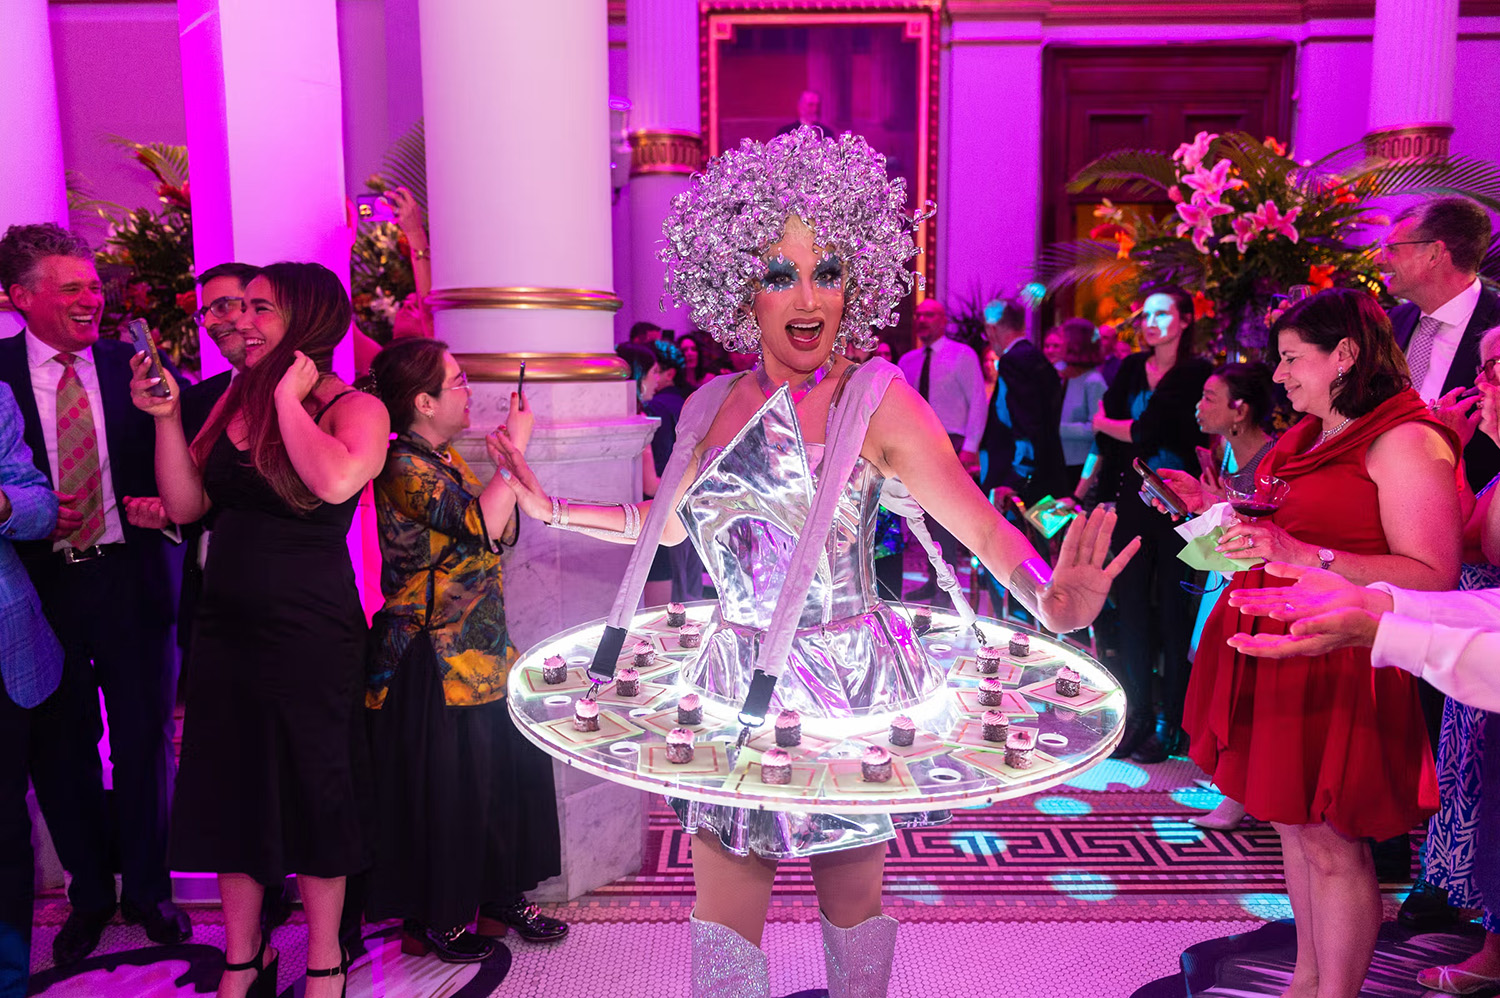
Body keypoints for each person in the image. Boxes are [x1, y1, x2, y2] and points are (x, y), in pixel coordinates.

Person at [487, 126, 1137, 998]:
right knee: (719, 930)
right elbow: (671, 531)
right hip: (730, 674)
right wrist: (548, 505)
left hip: (846, 679)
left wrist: (1055, 606)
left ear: (855, 284)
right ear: (736, 289)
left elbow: (983, 532)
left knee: (851, 910)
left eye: (827, 271)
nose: (807, 297)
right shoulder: (711, 403)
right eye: (778, 272)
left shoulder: (879, 400)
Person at [1167, 288, 1461, 998]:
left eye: (1293, 359)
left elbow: (1433, 573)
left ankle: (1337, 993)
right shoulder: (1308, 435)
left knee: (1333, 842)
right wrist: (1223, 523)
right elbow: (1284, 533)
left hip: (1342, 657)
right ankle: (1305, 980)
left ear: (1346, 356)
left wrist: (1307, 555)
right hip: (1278, 652)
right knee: (1292, 830)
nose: (1279, 375)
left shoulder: (1402, 439)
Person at [133, 262, 391, 998]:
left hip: (311, 631)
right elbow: (185, 507)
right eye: (236, 308)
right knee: (230, 789)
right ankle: (244, 957)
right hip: (226, 626)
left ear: (306, 319)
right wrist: (166, 420)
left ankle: (322, 960)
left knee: (316, 790)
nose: (239, 321)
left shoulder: (353, 407)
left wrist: (285, 396)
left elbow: (337, 481)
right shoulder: (226, 402)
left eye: (260, 308)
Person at [0, 222, 191, 964]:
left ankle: (149, 887)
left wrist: (159, 506)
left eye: (93, 285)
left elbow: (178, 458)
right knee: (61, 748)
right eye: (70, 286)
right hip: (38, 590)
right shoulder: (2, 376)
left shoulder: (134, 365)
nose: (91, 298)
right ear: (20, 296)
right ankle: (89, 893)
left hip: (129, 575)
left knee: (144, 738)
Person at [361, 339, 565, 962]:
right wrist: (515, 455)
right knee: (448, 789)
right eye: (456, 381)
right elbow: (480, 523)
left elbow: (502, 528)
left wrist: (506, 464)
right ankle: (437, 916)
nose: (466, 389)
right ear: (422, 401)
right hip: (432, 652)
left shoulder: (444, 457)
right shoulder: (402, 466)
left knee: (500, 779)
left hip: (480, 647)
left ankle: (498, 893)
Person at [1091, 285, 1212, 762]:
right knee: (1133, 609)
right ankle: (1137, 714)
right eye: (1146, 313)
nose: (1151, 321)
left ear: (1185, 319)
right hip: (1133, 500)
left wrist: (1107, 424)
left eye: (1163, 313)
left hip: (1181, 503)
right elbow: (1114, 440)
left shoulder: (1196, 371)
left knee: (1172, 613)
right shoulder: (1128, 367)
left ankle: (1172, 721)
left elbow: (1144, 431)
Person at [0, 382, 62, 998]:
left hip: (2, 645)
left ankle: (8, 981)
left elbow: (41, 507)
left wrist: (0, 503)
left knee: (1, 832)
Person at [1384, 197, 1499, 492]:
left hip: (1475, 508)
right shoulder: (1388, 323)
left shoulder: (1497, 327)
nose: (1380, 259)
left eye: (1393, 248)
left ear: (1435, 253)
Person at [897, 297, 988, 601]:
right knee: (920, 514)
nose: (923, 319)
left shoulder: (962, 355)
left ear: (943, 320)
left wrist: (971, 447)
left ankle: (947, 590)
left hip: (952, 442)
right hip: (916, 441)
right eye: (919, 315)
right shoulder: (908, 361)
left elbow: (978, 400)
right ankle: (932, 579)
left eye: (930, 314)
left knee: (946, 517)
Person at [979, 300, 1066, 508]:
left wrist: (1014, 478)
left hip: (1018, 480)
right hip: (1046, 473)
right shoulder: (1038, 358)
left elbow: (1025, 424)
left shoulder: (1013, 362)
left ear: (992, 329)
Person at [1055, 318, 1109, 496]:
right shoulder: (1062, 374)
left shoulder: (1093, 382)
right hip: (1059, 458)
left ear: (1075, 343)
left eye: (1062, 339)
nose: (1058, 343)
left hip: (1079, 464)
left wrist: (1056, 429)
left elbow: (1097, 429)